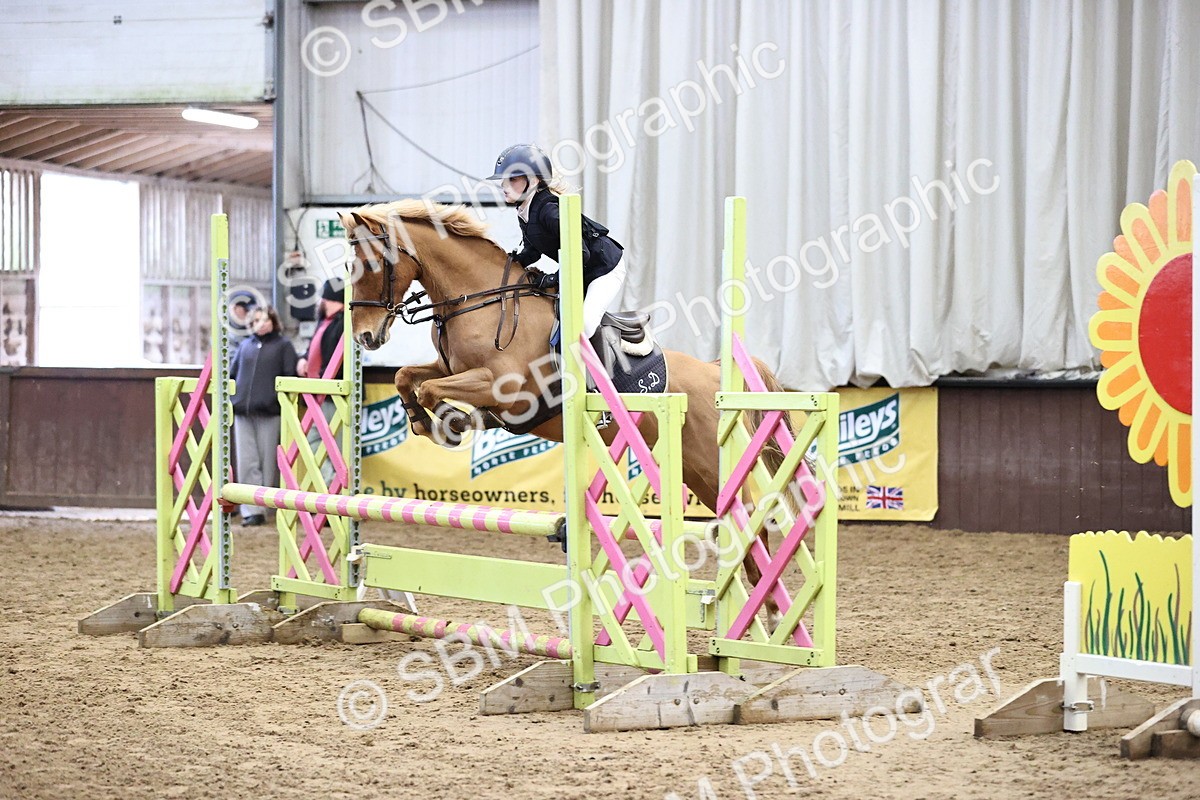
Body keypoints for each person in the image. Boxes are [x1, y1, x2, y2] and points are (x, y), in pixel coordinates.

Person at [488, 143, 626, 338]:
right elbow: (533, 251)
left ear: (533, 181)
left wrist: (554, 277)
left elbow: (581, 253)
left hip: (604, 269)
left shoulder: (549, 210)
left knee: (584, 325)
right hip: (580, 269)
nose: (504, 186)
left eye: (513, 179)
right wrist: (507, 264)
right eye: (504, 180)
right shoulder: (524, 210)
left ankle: (604, 369)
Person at [229, 305, 299, 526]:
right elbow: (233, 373)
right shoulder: (244, 346)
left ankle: (263, 505)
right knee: (247, 460)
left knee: (267, 460)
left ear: (273, 321)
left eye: (265, 319)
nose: (262, 323)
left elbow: (290, 376)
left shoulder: (284, 346)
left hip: (270, 412)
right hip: (243, 412)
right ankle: (250, 509)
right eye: (257, 319)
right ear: (250, 322)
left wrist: (277, 401)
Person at [296, 280, 345, 490]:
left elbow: (339, 358)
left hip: (333, 393)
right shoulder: (327, 322)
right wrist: (304, 358)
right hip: (320, 391)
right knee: (318, 440)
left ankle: (336, 488)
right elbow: (315, 349)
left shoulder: (343, 323)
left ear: (328, 299)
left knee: (333, 444)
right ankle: (333, 486)